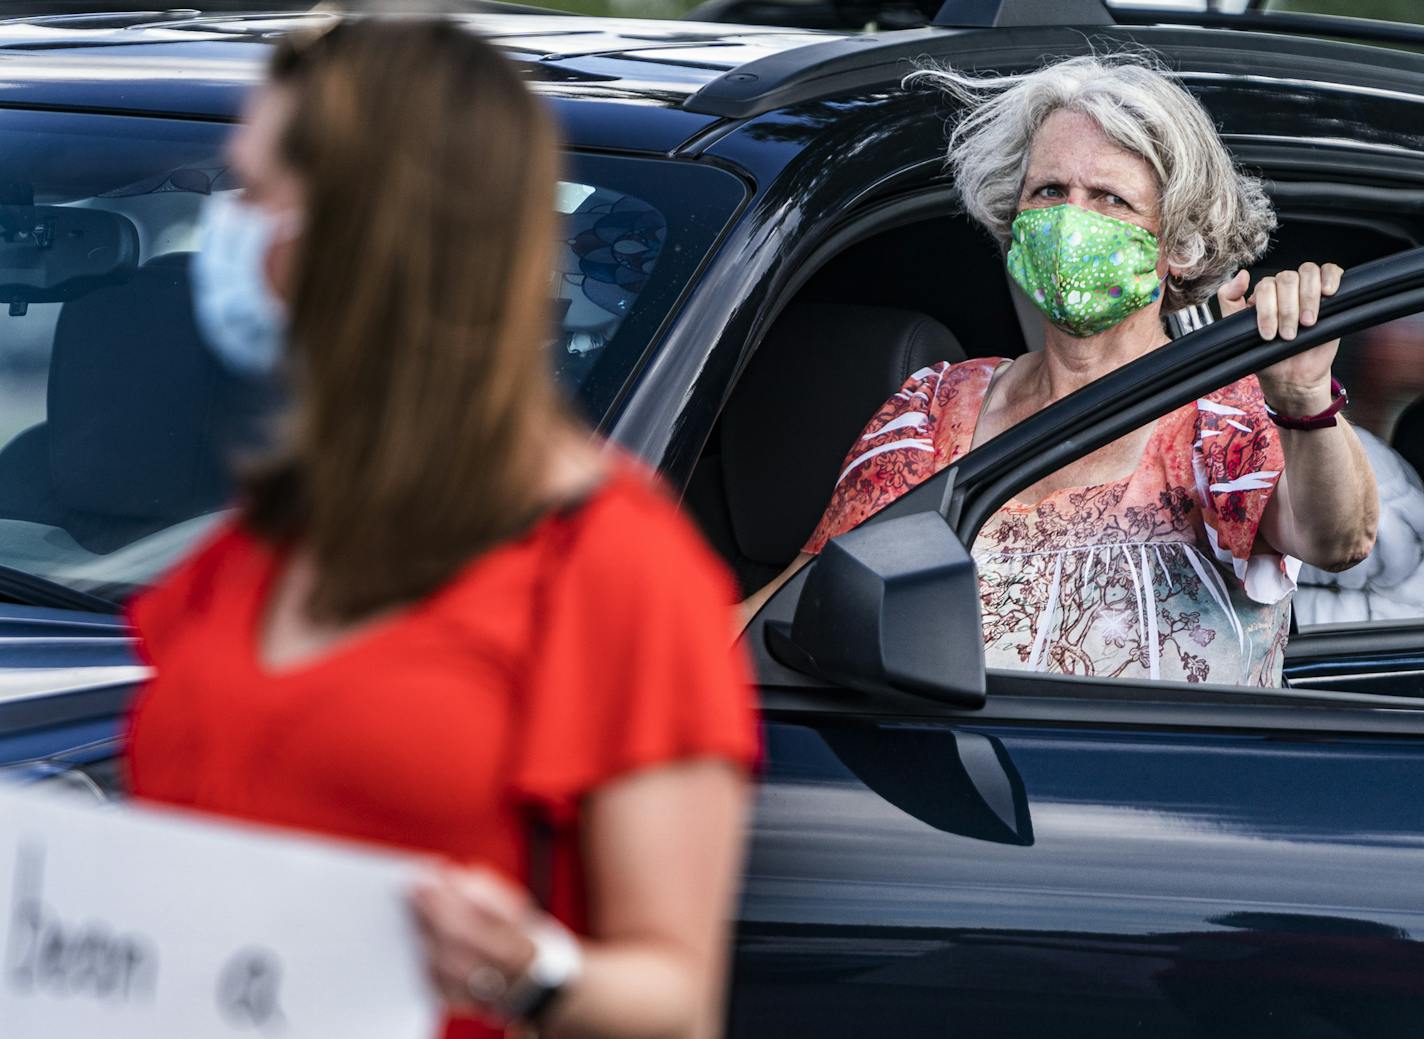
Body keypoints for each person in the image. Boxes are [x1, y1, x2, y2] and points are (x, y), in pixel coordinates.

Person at [124, 19, 758, 1039]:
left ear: (372, 230)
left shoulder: (610, 567)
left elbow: (673, 1003)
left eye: (254, 192)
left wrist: (531, 970)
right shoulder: (253, 551)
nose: (227, 229)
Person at [742, 54, 1379, 687]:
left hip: (1158, 783)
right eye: (1050, 192)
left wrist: (1302, 396)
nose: (1072, 220)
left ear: (1177, 245)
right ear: (1013, 217)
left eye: (1111, 199)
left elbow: (1336, 539)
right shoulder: (930, 409)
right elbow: (796, 604)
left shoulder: (1225, 415)